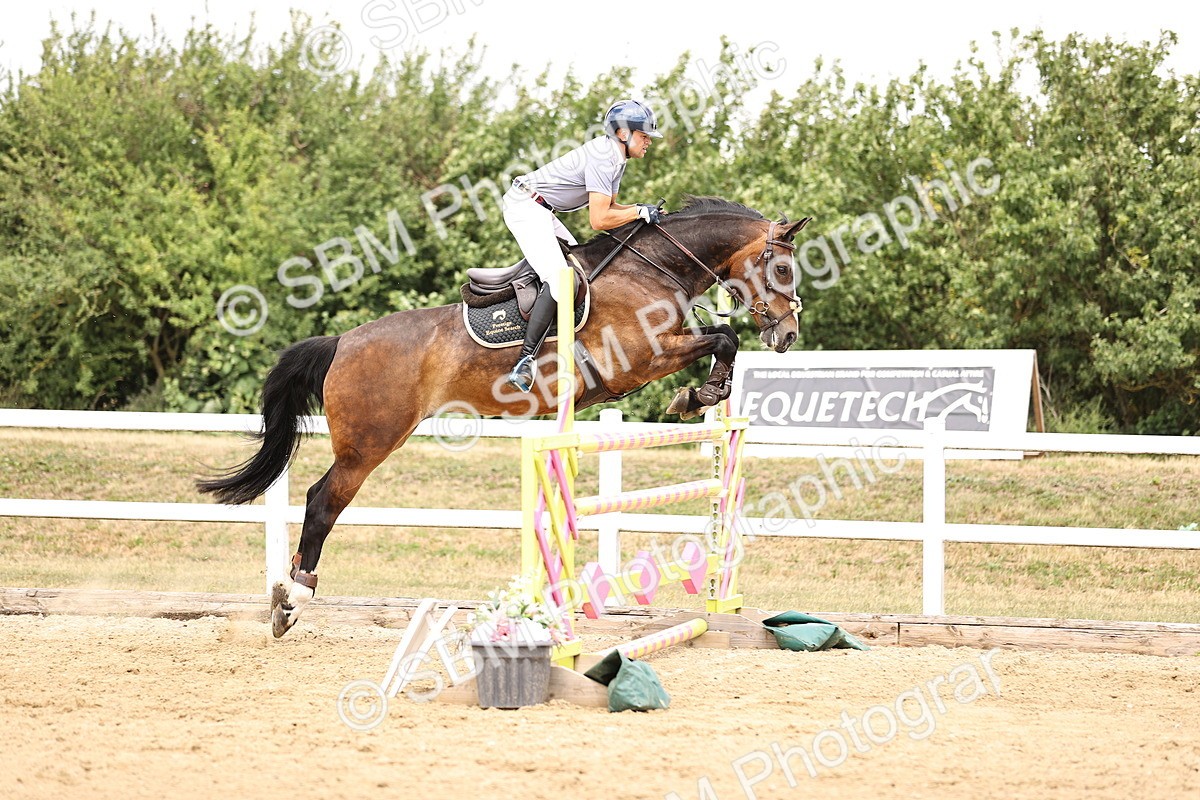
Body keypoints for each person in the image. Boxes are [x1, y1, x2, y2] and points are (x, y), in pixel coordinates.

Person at [502, 99, 664, 392]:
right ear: (623, 134)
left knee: (584, 273)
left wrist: (641, 209)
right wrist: (639, 212)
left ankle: (566, 343)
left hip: (542, 209)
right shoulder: (604, 157)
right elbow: (599, 219)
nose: (649, 141)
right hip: (526, 207)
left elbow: (613, 207)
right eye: (644, 135)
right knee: (560, 280)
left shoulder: (617, 158)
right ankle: (524, 361)